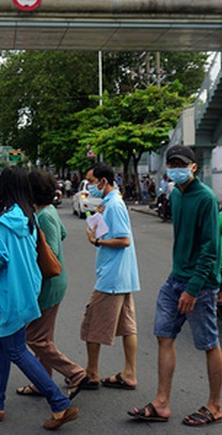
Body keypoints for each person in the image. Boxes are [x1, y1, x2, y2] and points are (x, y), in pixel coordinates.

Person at [0, 166, 79, 430]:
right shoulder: (28, 219)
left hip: (12, 295)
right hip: (28, 291)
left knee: (14, 349)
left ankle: (59, 403)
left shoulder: (5, 222)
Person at [128, 145, 222, 426]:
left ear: (193, 167)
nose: (176, 168)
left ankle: (215, 406)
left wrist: (193, 288)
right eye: (172, 164)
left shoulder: (205, 198)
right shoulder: (177, 195)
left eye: (181, 164)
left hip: (200, 284)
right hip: (176, 278)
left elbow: (210, 249)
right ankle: (162, 402)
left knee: (209, 343)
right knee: (163, 336)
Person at [15, 170, 95, 400]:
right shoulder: (47, 212)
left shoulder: (43, 216)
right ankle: (42, 382)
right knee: (44, 337)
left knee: (35, 339)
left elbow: (50, 252)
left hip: (48, 283)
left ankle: (76, 373)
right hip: (55, 282)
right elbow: (64, 233)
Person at [79, 163, 140, 393]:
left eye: (92, 182)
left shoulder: (114, 204)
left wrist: (97, 241)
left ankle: (91, 373)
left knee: (92, 323)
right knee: (127, 326)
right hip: (123, 276)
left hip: (112, 277)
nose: (89, 187)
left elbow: (123, 240)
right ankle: (129, 373)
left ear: (103, 181)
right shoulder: (110, 203)